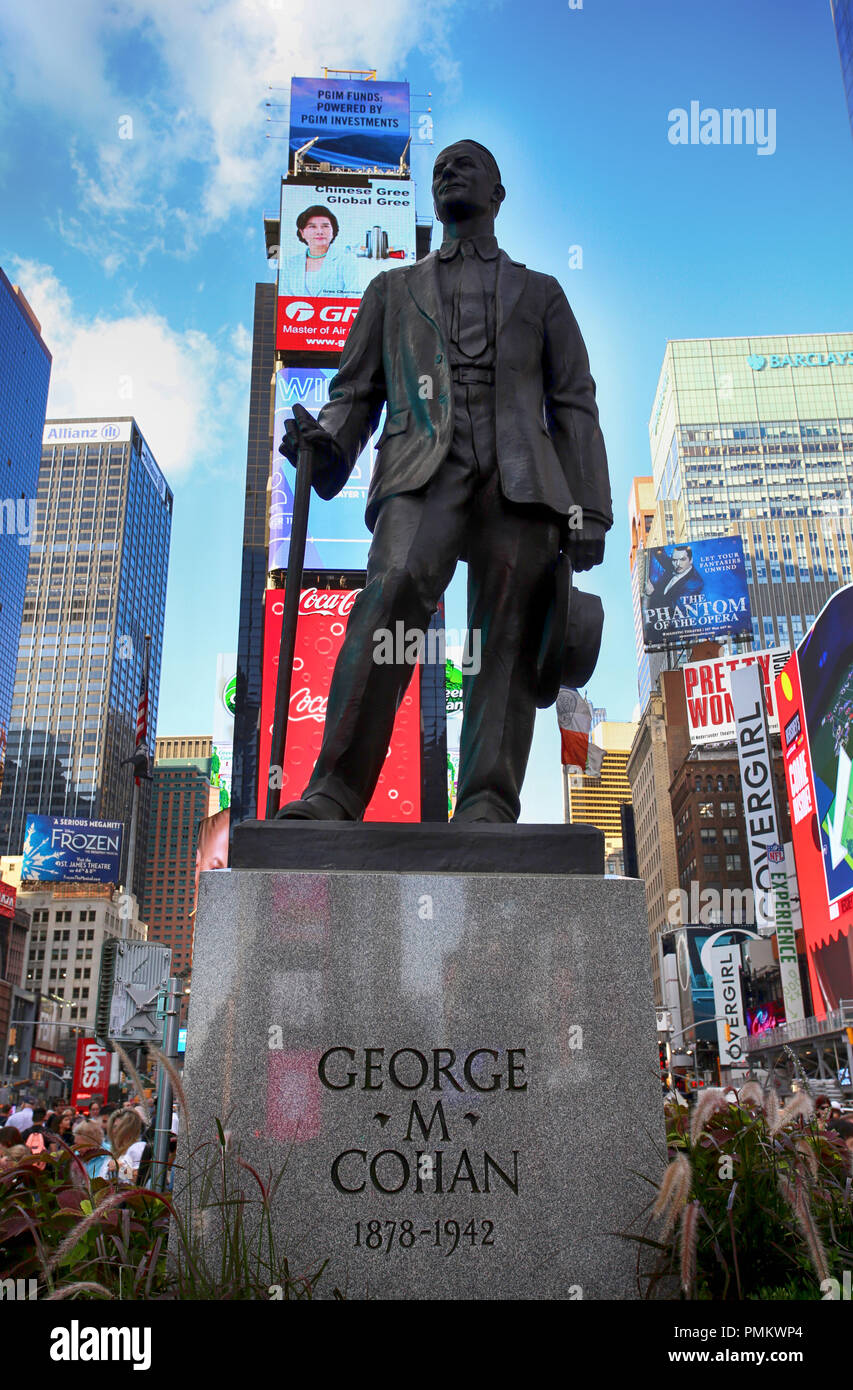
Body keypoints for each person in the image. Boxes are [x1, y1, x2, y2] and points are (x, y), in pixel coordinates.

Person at [277, 140, 612, 825]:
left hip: (520, 479)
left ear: (497, 193)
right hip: (420, 468)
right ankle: (334, 792)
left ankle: (488, 799)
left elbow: (574, 400)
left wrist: (589, 510)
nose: (447, 173)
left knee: (508, 631)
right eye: (439, 169)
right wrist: (328, 440)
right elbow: (354, 393)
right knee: (391, 594)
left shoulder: (542, 293)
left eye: (465, 165)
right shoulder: (391, 290)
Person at [278, 205, 361, 297]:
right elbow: (284, 297)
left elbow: (354, 297)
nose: (319, 231)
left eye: (325, 226)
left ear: (333, 231)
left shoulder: (347, 261)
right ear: (302, 233)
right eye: (312, 227)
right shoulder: (290, 264)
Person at [103, 1108, 144, 1186]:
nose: (113, 1131)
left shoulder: (137, 1148)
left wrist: (121, 1168)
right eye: (113, 1127)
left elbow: (139, 1179)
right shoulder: (113, 1152)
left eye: (118, 1127)